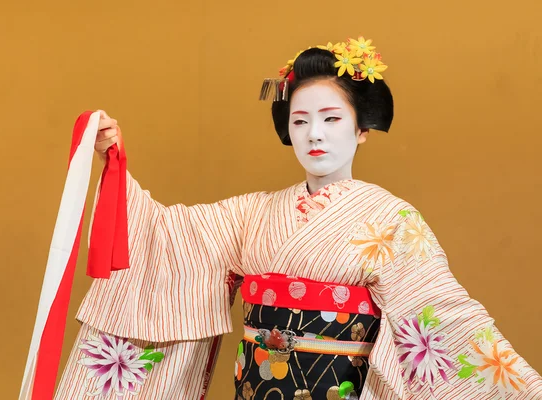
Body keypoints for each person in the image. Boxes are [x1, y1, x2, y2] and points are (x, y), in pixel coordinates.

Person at [54, 38, 542, 399]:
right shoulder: (253, 213)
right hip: (257, 388)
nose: (315, 134)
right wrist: (114, 161)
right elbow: (169, 238)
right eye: (300, 120)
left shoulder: (390, 219)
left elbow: (444, 317)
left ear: (361, 128)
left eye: (331, 119)